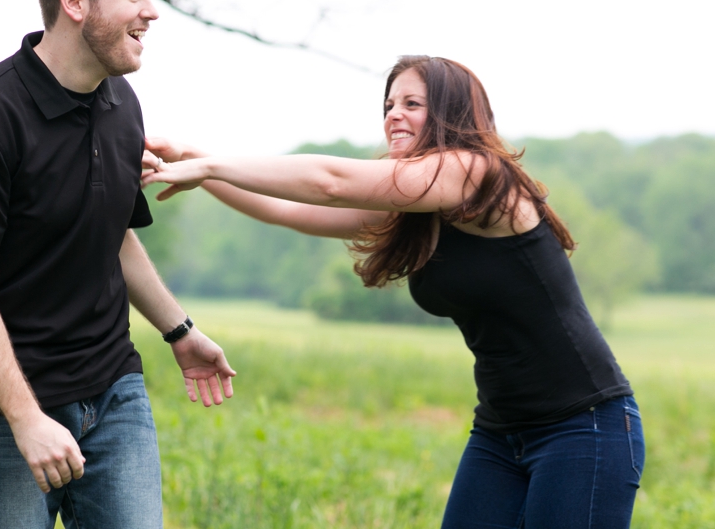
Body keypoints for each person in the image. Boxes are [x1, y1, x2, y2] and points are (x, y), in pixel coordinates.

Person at [142, 55, 644, 529]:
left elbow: (333, 182)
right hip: (499, 430)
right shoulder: (415, 208)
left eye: (411, 104)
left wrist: (208, 167)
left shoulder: (475, 175)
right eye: (388, 106)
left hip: (585, 427)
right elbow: (289, 210)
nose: (393, 116)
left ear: (451, 113)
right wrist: (192, 159)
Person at [0, 0, 236, 529]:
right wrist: (25, 417)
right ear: (75, 3)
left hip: (112, 390)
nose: (152, 11)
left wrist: (180, 331)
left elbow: (113, 235)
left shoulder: (122, 103)